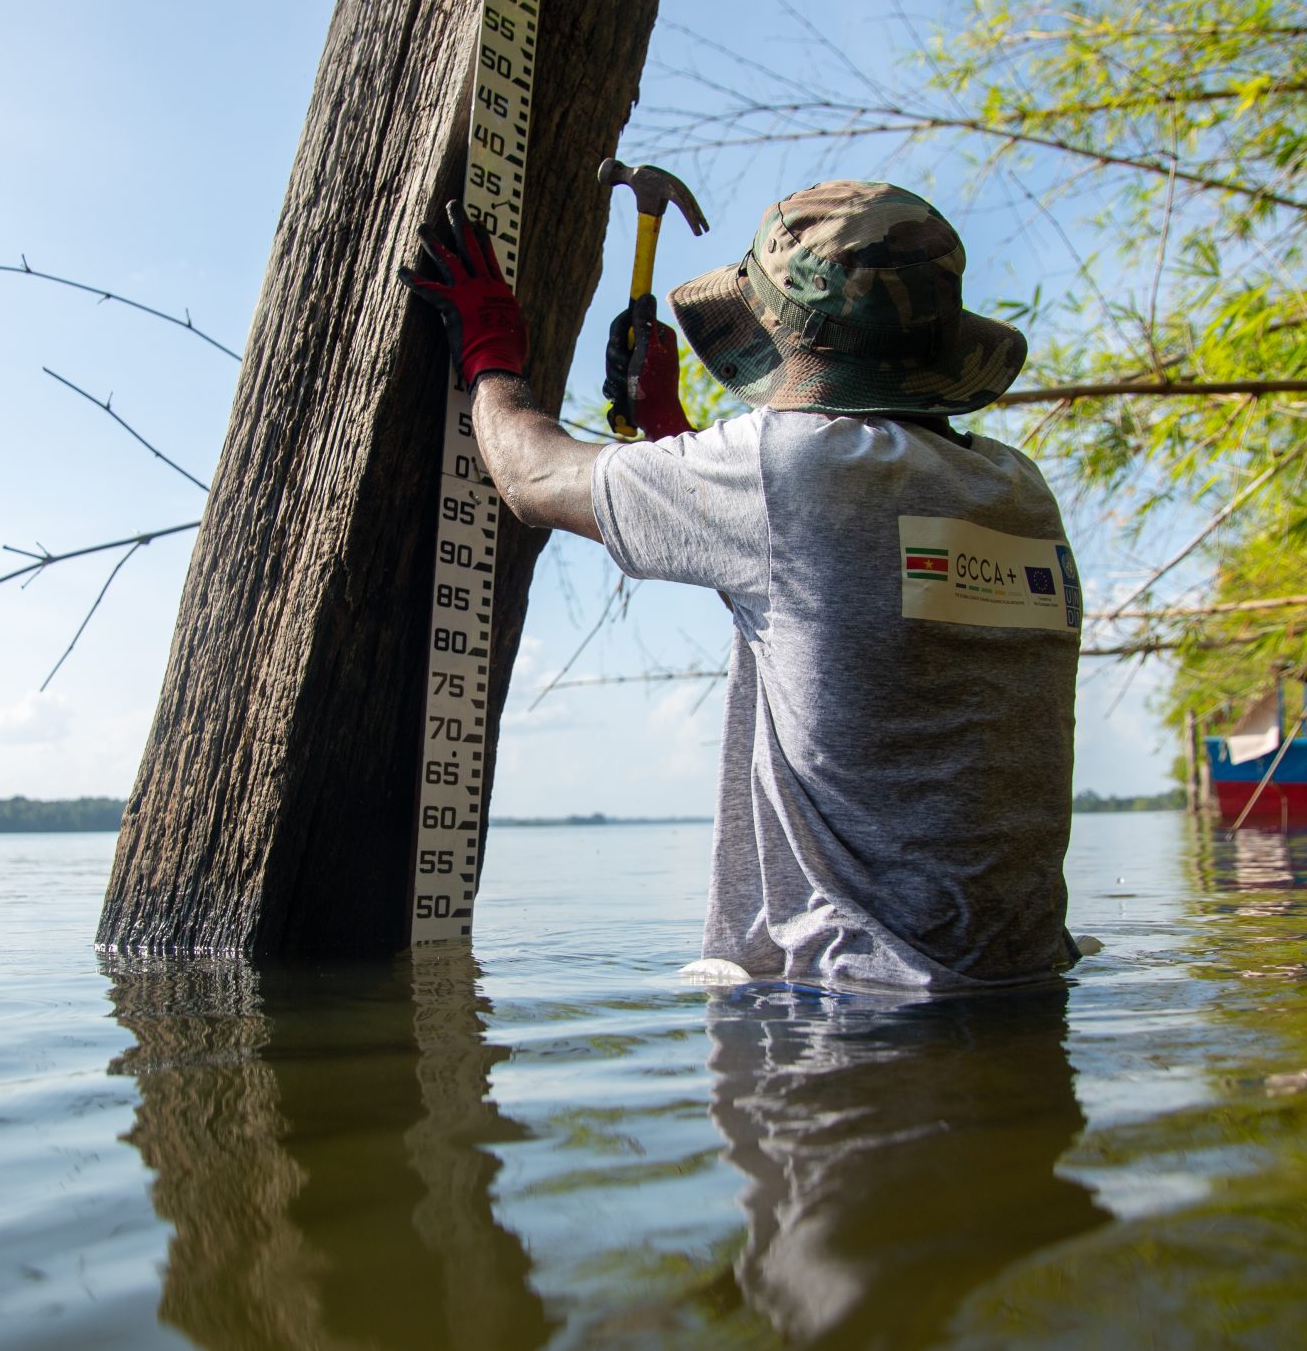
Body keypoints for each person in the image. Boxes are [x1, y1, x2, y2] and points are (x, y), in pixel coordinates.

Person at [402, 180, 1083, 993]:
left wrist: (492, 353)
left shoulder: (787, 469)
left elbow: (531, 474)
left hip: (848, 1011)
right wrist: (670, 429)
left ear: (787, 336)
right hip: (1024, 984)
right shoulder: (1016, 489)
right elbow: (820, 585)